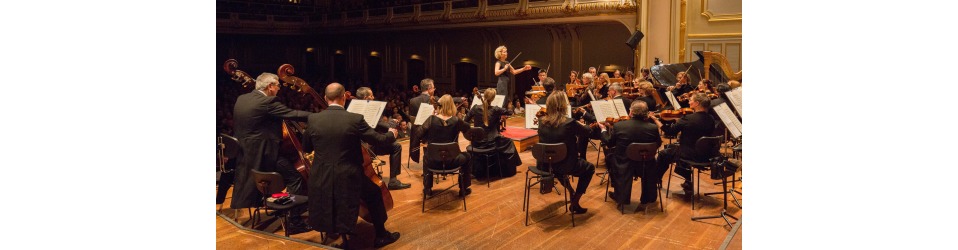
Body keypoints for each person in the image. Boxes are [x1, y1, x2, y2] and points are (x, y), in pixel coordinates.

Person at [303, 83, 401, 248]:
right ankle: (381, 236)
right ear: (343, 98)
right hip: (349, 174)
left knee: (334, 199)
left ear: (326, 99)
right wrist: (392, 134)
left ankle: (341, 237)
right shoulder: (354, 119)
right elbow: (379, 140)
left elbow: (307, 148)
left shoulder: (313, 119)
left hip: (321, 175)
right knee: (374, 192)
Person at [231, 72, 312, 233]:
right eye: (278, 85)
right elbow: (293, 114)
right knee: (295, 178)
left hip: (246, 155)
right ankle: (294, 221)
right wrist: (321, 116)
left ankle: (285, 207)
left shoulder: (242, 99)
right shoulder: (268, 102)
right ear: (270, 87)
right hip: (265, 154)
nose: (279, 89)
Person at [536, 91, 596, 214]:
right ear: (563, 105)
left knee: (556, 163)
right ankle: (575, 202)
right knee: (589, 169)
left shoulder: (541, 121)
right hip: (567, 165)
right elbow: (587, 132)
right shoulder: (569, 123)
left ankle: (570, 191)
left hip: (545, 165)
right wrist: (590, 125)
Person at [598, 101, 662, 206]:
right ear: (646, 113)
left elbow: (609, 143)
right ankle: (648, 197)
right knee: (650, 164)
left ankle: (620, 195)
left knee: (609, 158)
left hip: (624, 164)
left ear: (631, 112)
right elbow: (657, 144)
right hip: (645, 164)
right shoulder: (653, 127)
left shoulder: (619, 126)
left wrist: (604, 130)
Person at [651, 92, 715, 196]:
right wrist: (680, 122)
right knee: (674, 149)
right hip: (706, 155)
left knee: (663, 154)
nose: (689, 102)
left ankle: (656, 180)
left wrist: (656, 120)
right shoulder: (711, 119)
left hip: (689, 155)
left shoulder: (687, 118)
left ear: (697, 103)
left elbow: (669, 132)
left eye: (691, 100)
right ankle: (687, 182)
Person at [354, 87, 411, 190]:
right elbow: (382, 125)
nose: (373, 97)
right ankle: (393, 181)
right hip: (369, 147)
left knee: (395, 145)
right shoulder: (370, 109)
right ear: (366, 98)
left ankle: (392, 181)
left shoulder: (353, 108)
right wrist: (393, 122)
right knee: (396, 147)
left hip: (363, 146)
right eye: (371, 95)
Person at [419, 95, 473, 196]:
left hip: (433, 162)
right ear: (451, 106)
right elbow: (467, 128)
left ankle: (427, 188)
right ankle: (463, 188)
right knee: (468, 156)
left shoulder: (431, 119)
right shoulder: (456, 120)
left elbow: (419, 133)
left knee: (426, 156)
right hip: (453, 161)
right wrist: (459, 118)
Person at [465, 88, 522, 178]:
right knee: (509, 142)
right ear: (493, 98)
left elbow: (465, 121)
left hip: (476, 143)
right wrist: (510, 105)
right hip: (490, 143)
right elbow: (510, 112)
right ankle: (508, 170)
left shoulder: (475, 107)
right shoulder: (495, 109)